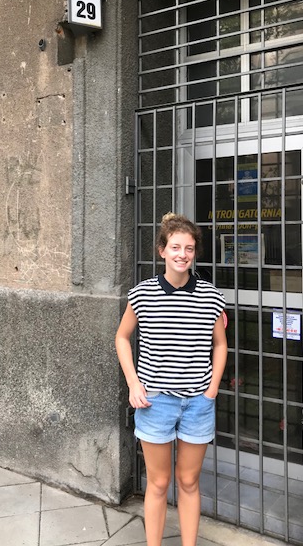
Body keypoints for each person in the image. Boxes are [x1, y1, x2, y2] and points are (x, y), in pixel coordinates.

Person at [115, 212, 228, 546]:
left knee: (189, 482)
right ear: (162, 250)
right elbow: (122, 337)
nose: (183, 254)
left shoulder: (210, 296)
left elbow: (220, 345)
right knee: (158, 483)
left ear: (195, 252)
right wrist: (133, 382)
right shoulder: (142, 294)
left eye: (189, 248)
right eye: (176, 247)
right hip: (156, 403)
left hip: (198, 404)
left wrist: (212, 389)